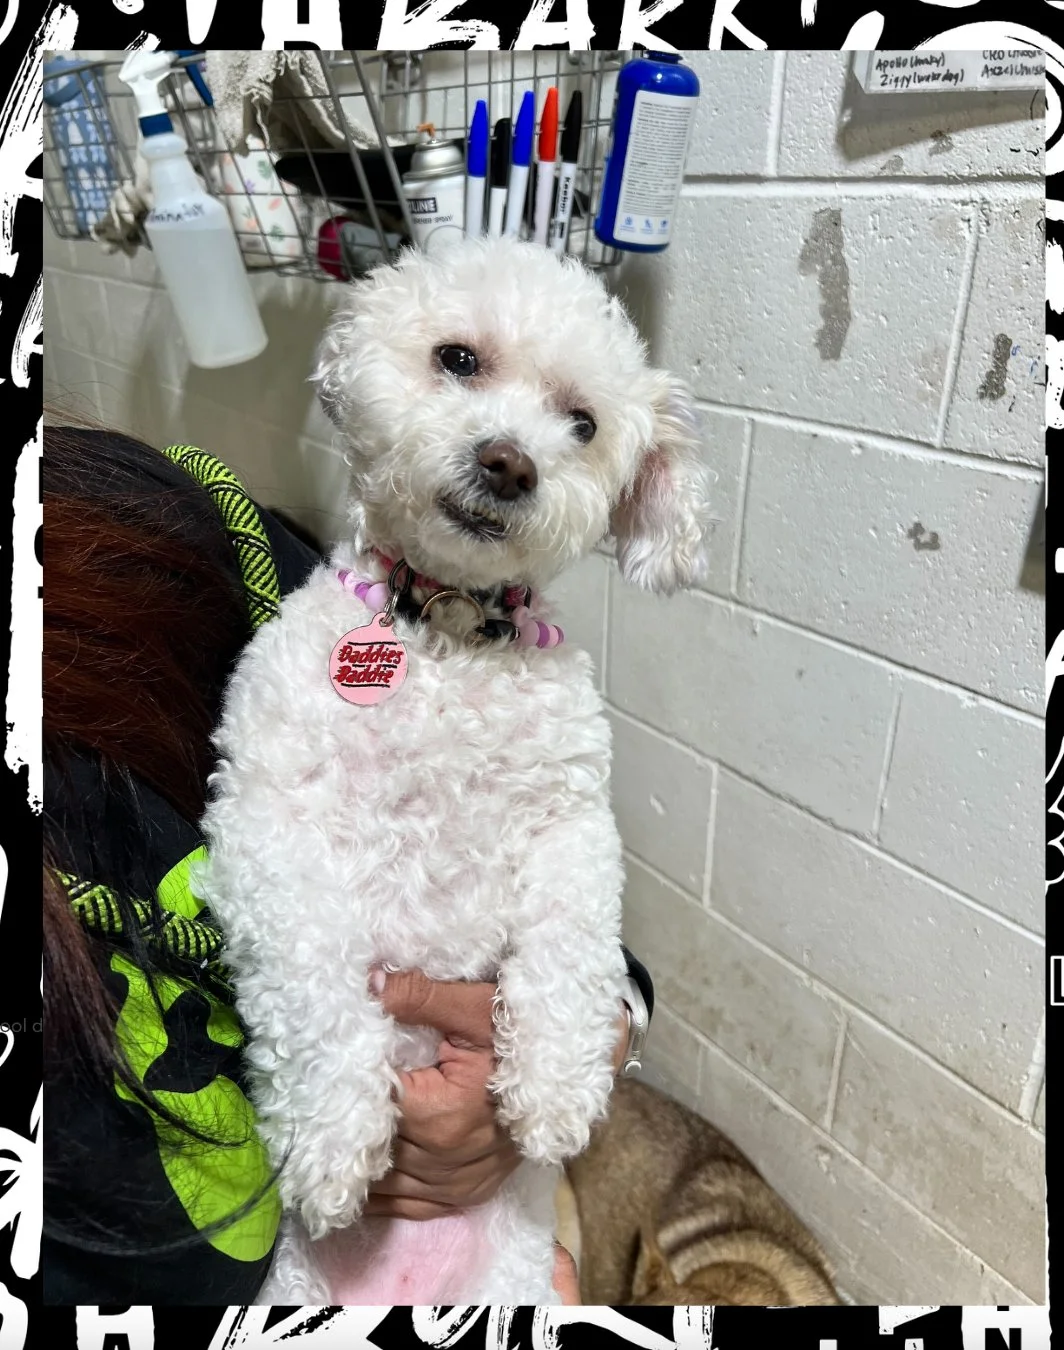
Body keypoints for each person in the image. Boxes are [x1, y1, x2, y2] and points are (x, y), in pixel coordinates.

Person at [43, 422, 651, 1305]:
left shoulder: (179, 534)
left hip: (494, 1229)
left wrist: (600, 1029)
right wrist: (331, 1071)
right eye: (458, 362)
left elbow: (572, 871)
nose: (508, 450)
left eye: (578, 424)